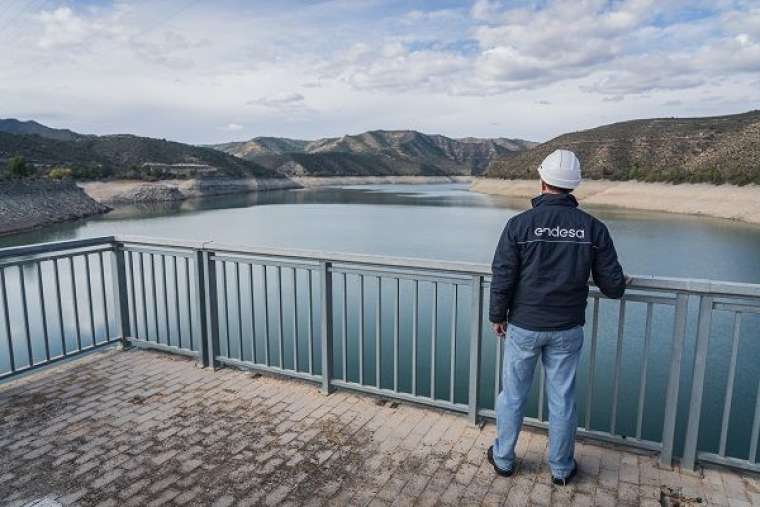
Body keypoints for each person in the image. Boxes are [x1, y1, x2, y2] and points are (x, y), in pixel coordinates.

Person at [486, 149, 627, 486]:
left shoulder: (519, 225)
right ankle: (561, 469)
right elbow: (613, 287)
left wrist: (497, 315)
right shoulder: (593, 228)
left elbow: (503, 275)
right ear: (574, 186)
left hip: (524, 325)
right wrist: (622, 281)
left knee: (513, 395)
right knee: (562, 398)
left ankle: (504, 459)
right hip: (566, 328)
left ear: (542, 181)